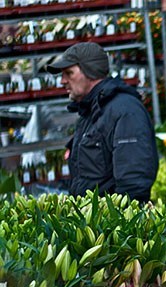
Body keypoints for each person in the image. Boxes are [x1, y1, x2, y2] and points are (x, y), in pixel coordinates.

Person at [46, 42, 158, 203]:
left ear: (90, 71)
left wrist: (118, 223)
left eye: (69, 73)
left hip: (111, 223)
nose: (62, 81)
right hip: (93, 221)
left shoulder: (125, 111)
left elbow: (134, 182)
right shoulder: (92, 110)